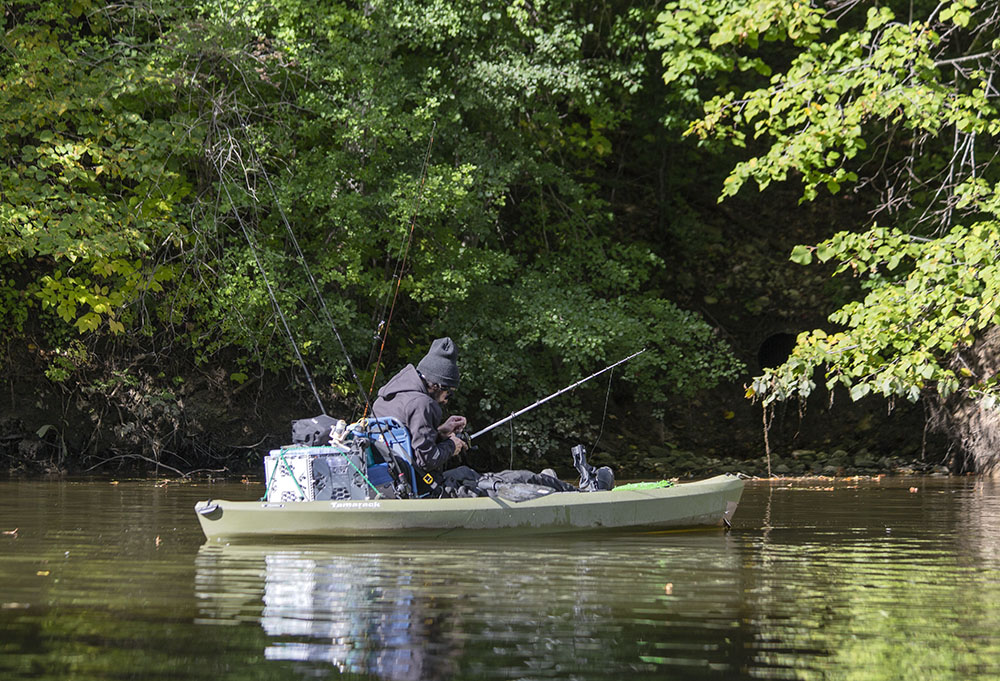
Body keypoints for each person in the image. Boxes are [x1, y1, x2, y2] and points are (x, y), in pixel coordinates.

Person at [371, 337, 468, 487]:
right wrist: (451, 445)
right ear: (437, 386)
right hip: (414, 484)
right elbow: (427, 460)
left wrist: (441, 431)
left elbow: (407, 439)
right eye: (449, 393)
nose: (446, 400)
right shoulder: (422, 404)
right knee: (467, 474)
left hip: (387, 481)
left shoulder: (388, 396)